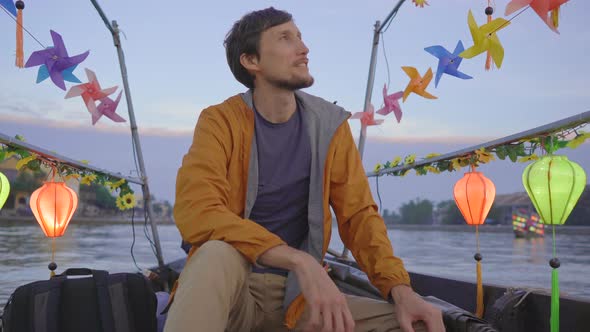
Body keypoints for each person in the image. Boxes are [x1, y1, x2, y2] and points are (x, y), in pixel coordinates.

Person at [165, 7, 445, 332]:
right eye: (285, 38)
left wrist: (400, 290)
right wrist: (298, 260)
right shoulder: (220, 121)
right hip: (234, 294)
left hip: (302, 301)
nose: (303, 47)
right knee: (214, 253)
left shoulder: (331, 126)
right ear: (251, 61)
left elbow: (359, 218)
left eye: (300, 37)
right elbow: (197, 211)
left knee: (418, 325)